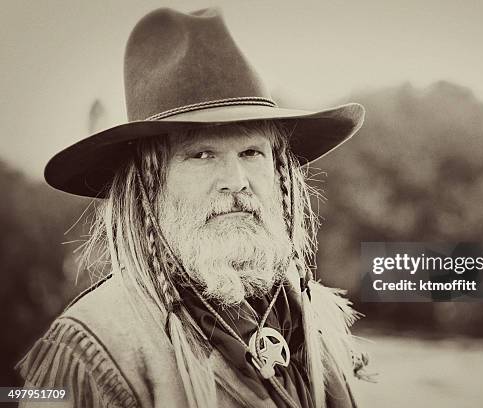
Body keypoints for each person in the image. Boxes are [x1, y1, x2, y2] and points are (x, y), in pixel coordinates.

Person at [16, 7, 368, 408]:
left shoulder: (312, 317)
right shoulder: (90, 349)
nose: (236, 181)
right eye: (202, 155)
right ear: (148, 184)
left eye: (252, 152)